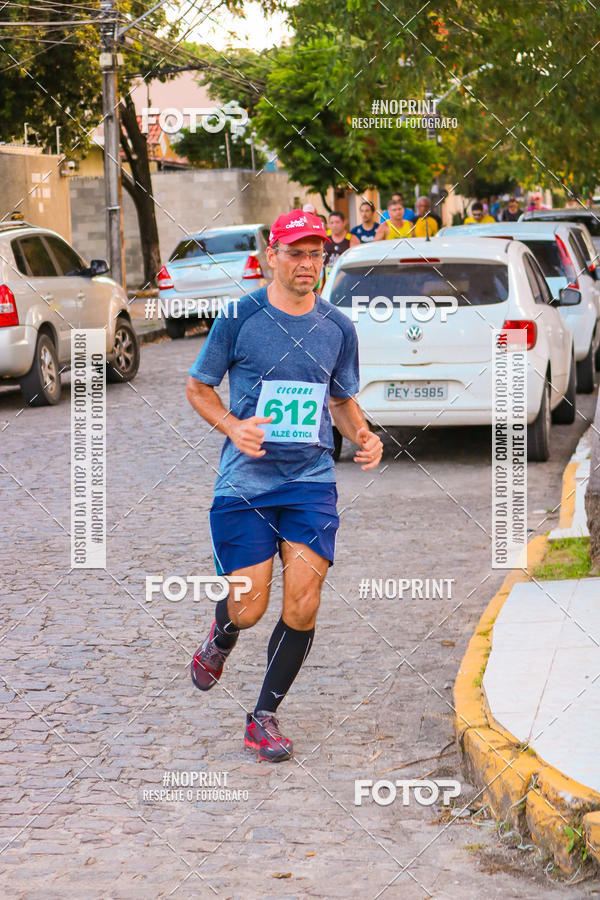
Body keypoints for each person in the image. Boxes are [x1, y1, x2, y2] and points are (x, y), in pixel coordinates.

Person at [186, 209, 383, 763]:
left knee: (303, 602)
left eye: (315, 253)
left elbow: (340, 399)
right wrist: (232, 425)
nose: (306, 263)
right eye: (295, 252)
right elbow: (199, 386)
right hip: (245, 482)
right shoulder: (240, 316)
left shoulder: (338, 327)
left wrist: (364, 435)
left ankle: (263, 716)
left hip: (310, 480)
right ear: (272, 255)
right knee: (249, 608)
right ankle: (222, 634)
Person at [322, 211, 358, 282]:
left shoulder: (352, 239)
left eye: (337, 222)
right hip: (326, 279)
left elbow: (355, 262)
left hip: (344, 277)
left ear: (344, 222)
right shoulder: (325, 237)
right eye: (332, 223)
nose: (334, 225)